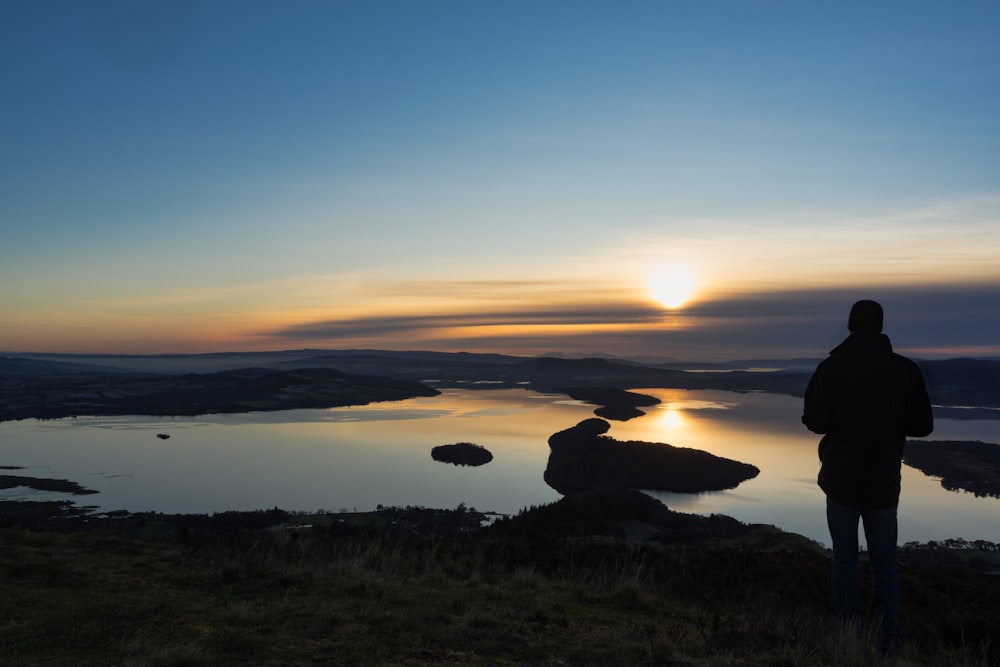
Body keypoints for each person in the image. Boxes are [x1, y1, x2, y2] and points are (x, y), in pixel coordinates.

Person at [802, 299, 933, 655]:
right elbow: (923, 425)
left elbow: (814, 420)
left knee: (844, 559)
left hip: (841, 480)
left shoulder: (832, 368)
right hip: (883, 482)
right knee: (884, 564)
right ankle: (887, 641)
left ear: (850, 326)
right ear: (880, 327)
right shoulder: (905, 370)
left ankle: (850, 635)